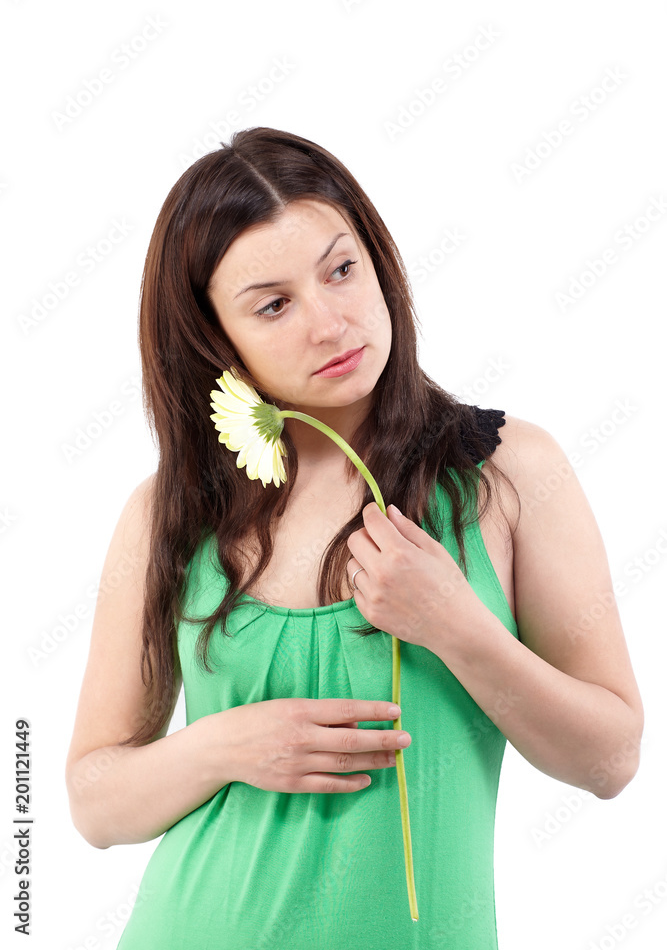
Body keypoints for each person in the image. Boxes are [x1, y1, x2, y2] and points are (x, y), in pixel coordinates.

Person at [65, 126, 644, 950]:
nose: (331, 323)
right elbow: (94, 803)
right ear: (214, 340)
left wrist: (457, 627)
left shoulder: (509, 473)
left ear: (377, 262)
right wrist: (223, 746)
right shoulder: (167, 512)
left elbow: (608, 762)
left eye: (340, 270)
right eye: (273, 305)